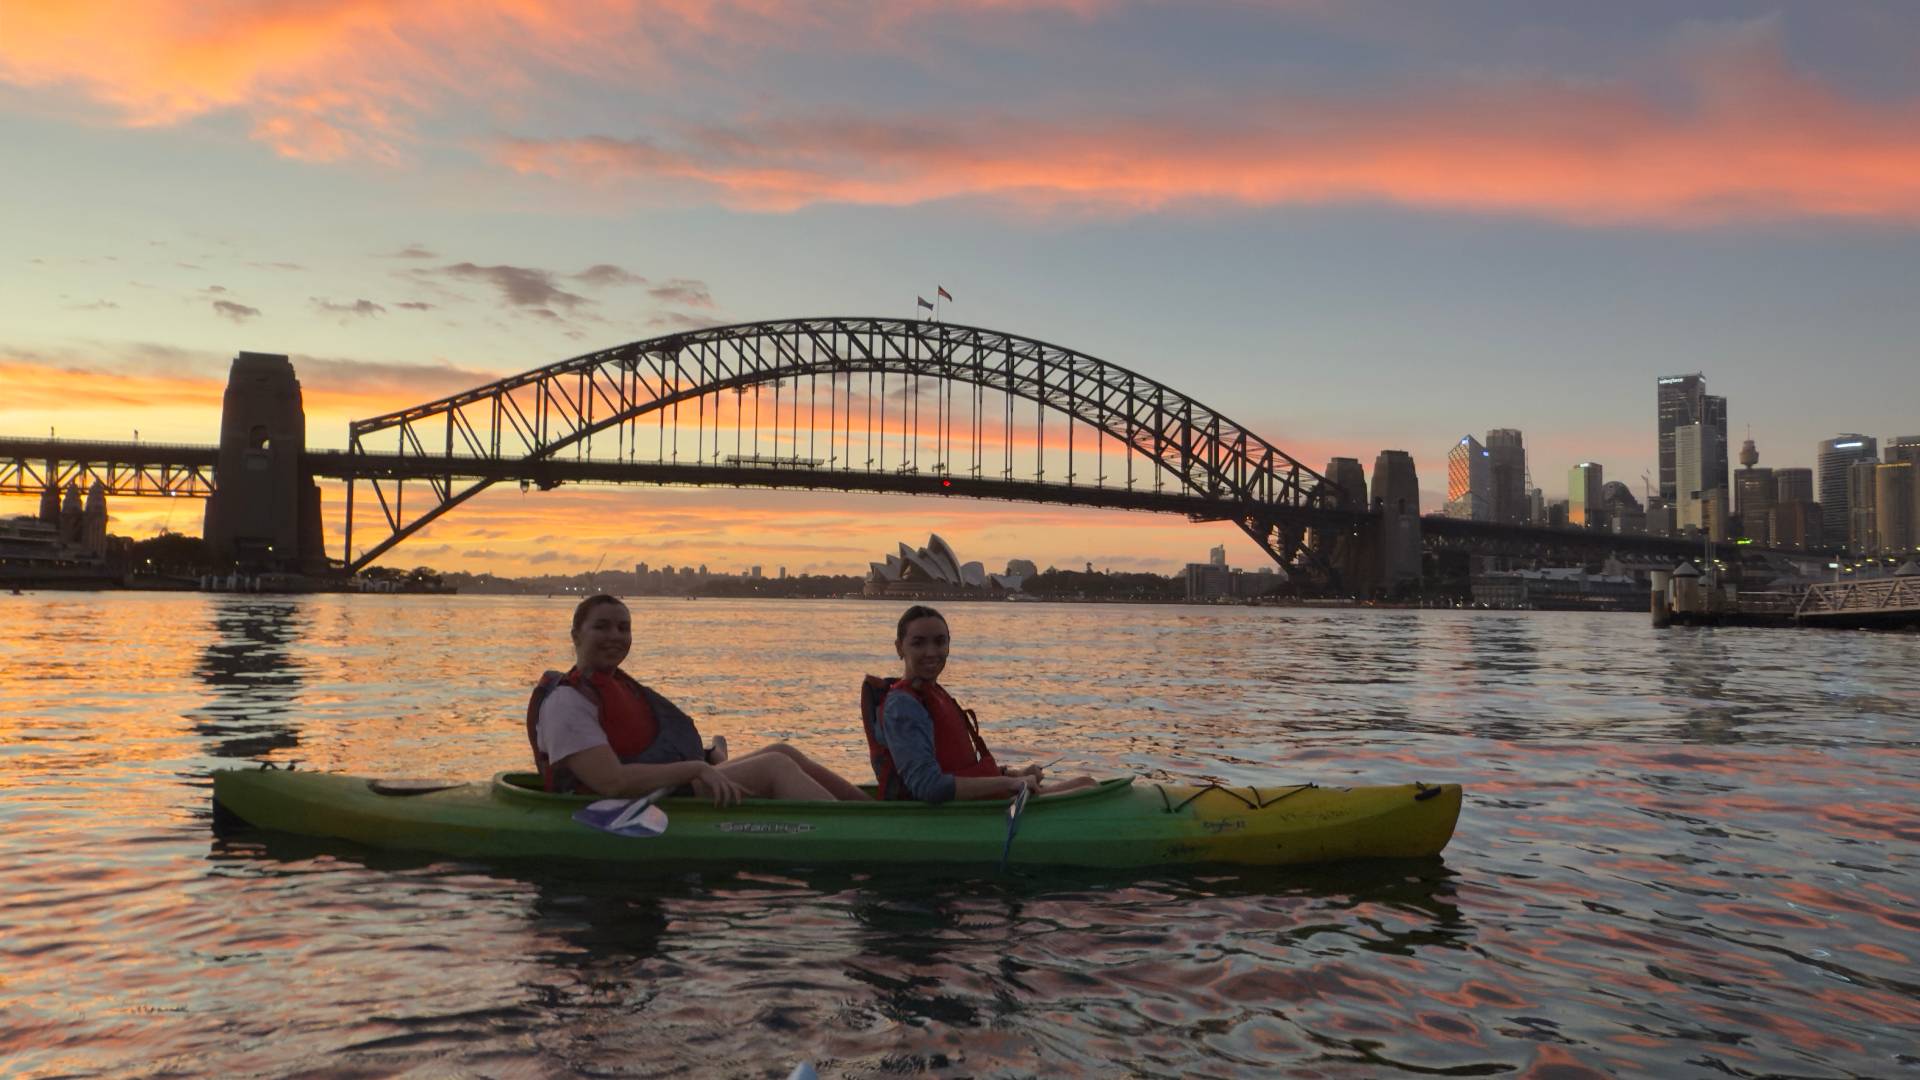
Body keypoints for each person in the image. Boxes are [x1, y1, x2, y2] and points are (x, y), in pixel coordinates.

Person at [529, 594, 870, 805]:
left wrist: (707, 758)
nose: (615, 637)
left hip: (666, 789)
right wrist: (697, 768)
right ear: (576, 635)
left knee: (783, 751)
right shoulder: (566, 704)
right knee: (775, 767)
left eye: (623, 628)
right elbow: (611, 783)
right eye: (602, 627)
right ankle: (860, 835)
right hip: (628, 802)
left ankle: (875, 812)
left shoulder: (614, 686)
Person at [865, 605, 1098, 803]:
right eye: (918, 643)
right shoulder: (903, 706)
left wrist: (1012, 773)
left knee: (1086, 781)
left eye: (939, 642)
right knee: (1087, 792)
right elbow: (929, 787)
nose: (931, 652)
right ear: (899, 648)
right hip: (951, 816)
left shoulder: (932, 693)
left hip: (974, 806)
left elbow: (958, 767)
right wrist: (1011, 783)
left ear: (949, 645)